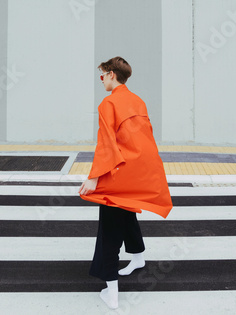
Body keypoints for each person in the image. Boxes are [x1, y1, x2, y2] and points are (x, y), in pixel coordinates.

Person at [79, 56, 173, 310]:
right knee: (127, 211)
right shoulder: (138, 100)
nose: (101, 80)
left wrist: (93, 177)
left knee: (109, 227)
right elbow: (146, 139)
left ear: (111, 74)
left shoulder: (108, 103)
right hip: (141, 169)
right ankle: (138, 258)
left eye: (102, 75)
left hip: (119, 171)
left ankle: (111, 291)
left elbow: (107, 145)